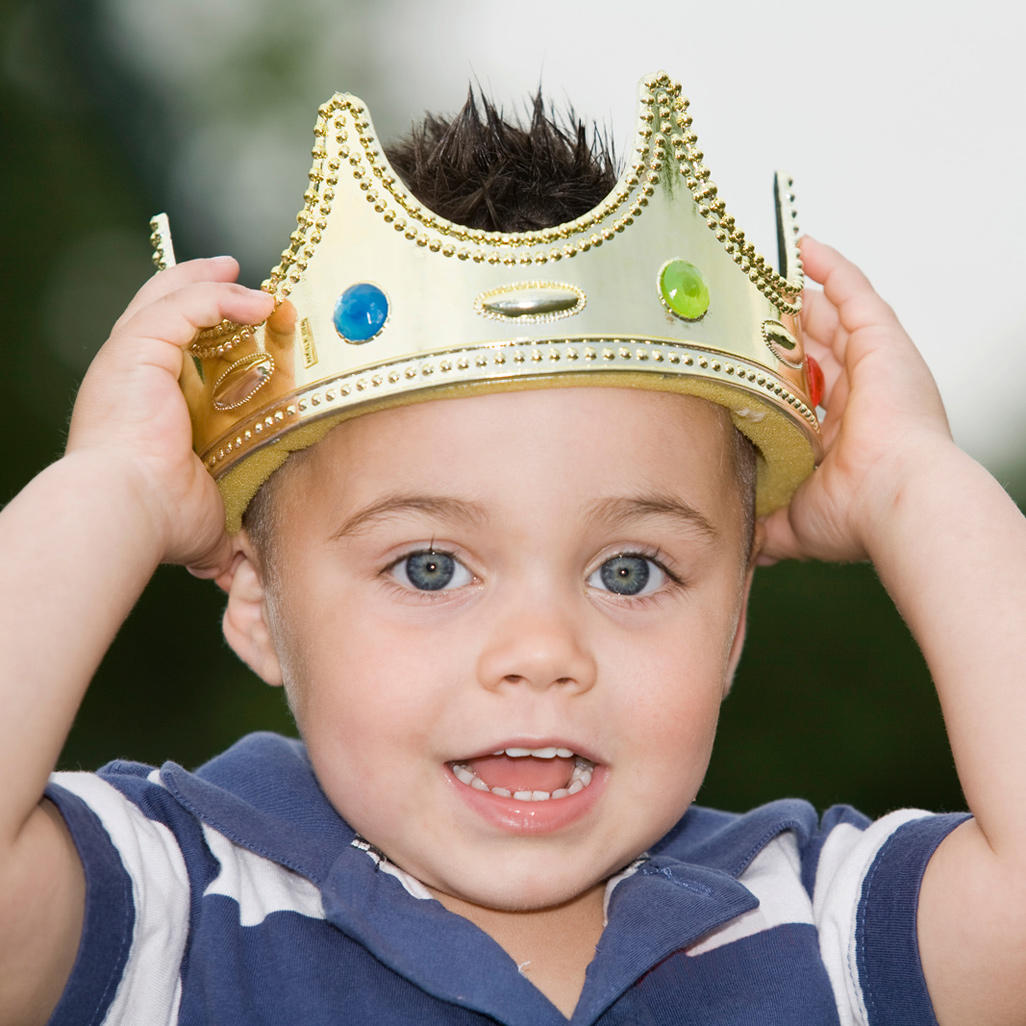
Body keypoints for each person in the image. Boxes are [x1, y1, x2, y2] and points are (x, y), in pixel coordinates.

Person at [1, 73, 1024, 1026]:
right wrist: (115, 488)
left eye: (629, 572)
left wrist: (911, 483)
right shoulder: (167, 902)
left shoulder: (820, 923)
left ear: (732, 628)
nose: (542, 649)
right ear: (260, 605)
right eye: (431, 567)